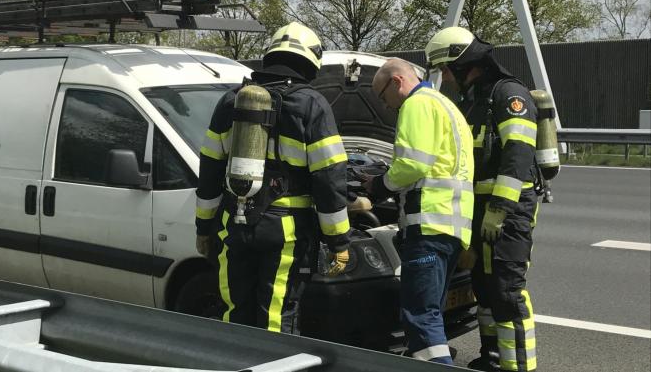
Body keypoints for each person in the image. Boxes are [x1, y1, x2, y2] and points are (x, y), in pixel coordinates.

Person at [194, 22, 355, 334]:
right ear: (310, 63)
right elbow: (329, 177)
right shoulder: (312, 105)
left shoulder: (231, 101)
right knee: (276, 317)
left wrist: (203, 227)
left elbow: (210, 169)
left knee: (234, 310)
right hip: (286, 231)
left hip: (233, 225)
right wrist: (339, 241)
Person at [425, 27, 539, 372]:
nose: (444, 76)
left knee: (506, 293)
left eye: (446, 68)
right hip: (477, 210)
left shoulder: (508, 95)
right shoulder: (473, 99)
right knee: (484, 291)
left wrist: (500, 209)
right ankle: (493, 359)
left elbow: (518, 154)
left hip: (508, 211)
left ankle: (518, 366)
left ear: (464, 64)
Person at [360, 58, 474, 364]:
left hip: (427, 226)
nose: (386, 106)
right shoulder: (446, 106)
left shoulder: (415, 105)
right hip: (451, 227)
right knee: (430, 313)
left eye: (383, 97)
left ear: (397, 82)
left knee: (421, 317)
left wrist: (379, 185)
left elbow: (414, 163)